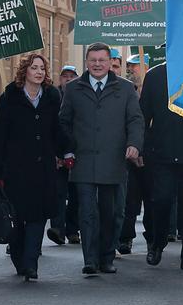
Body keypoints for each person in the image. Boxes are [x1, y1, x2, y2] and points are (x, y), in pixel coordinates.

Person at [59, 42, 144, 275]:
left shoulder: (126, 89)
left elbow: (135, 120)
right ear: (86, 63)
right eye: (93, 60)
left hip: (114, 159)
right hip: (83, 160)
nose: (97, 64)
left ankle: (107, 257)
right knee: (87, 212)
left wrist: (134, 145)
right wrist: (68, 148)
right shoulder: (74, 88)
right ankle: (90, 259)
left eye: (102, 60)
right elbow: (63, 121)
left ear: (109, 63)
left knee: (111, 212)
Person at [0, 53, 70, 281]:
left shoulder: (52, 97)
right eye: (34, 67)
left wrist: (67, 150)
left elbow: (57, 130)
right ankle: (19, 258)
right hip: (16, 170)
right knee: (18, 219)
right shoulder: (10, 97)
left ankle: (31, 263)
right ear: (25, 71)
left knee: (38, 217)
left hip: (43, 170)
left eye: (42, 68)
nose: (39, 72)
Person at [140, 61, 183, 271]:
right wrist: (140, 146)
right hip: (161, 152)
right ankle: (156, 243)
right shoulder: (155, 75)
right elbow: (143, 114)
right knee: (160, 201)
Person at [49, 64, 80, 246]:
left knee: (76, 195)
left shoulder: (80, 95)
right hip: (58, 155)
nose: (68, 79)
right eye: (65, 76)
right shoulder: (53, 97)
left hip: (77, 153)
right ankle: (57, 229)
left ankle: (73, 230)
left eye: (71, 75)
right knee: (59, 193)